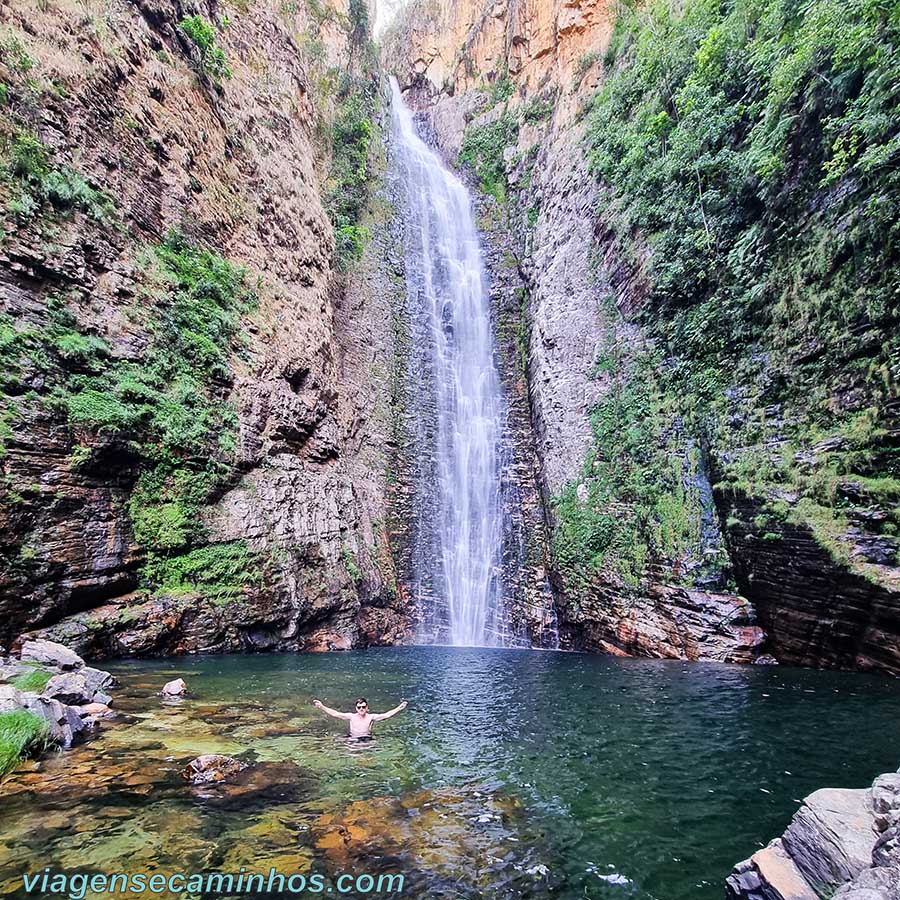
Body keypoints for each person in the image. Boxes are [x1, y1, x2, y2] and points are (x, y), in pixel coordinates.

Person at [312, 696, 408, 738]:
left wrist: (399, 708)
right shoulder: (351, 716)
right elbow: (335, 713)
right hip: (352, 737)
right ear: (356, 708)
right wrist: (322, 706)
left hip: (367, 738)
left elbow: (386, 715)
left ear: (367, 708)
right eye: (359, 707)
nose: (361, 709)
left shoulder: (371, 717)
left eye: (363, 707)